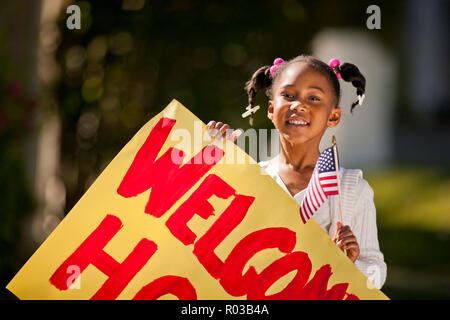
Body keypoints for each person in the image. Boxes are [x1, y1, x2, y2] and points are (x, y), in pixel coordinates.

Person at [206, 55, 387, 288]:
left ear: (333, 116)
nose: (298, 105)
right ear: (271, 110)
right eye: (288, 95)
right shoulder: (251, 180)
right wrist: (208, 167)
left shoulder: (351, 189)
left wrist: (349, 266)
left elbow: (377, 274)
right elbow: (212, 244)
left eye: (314, 98)